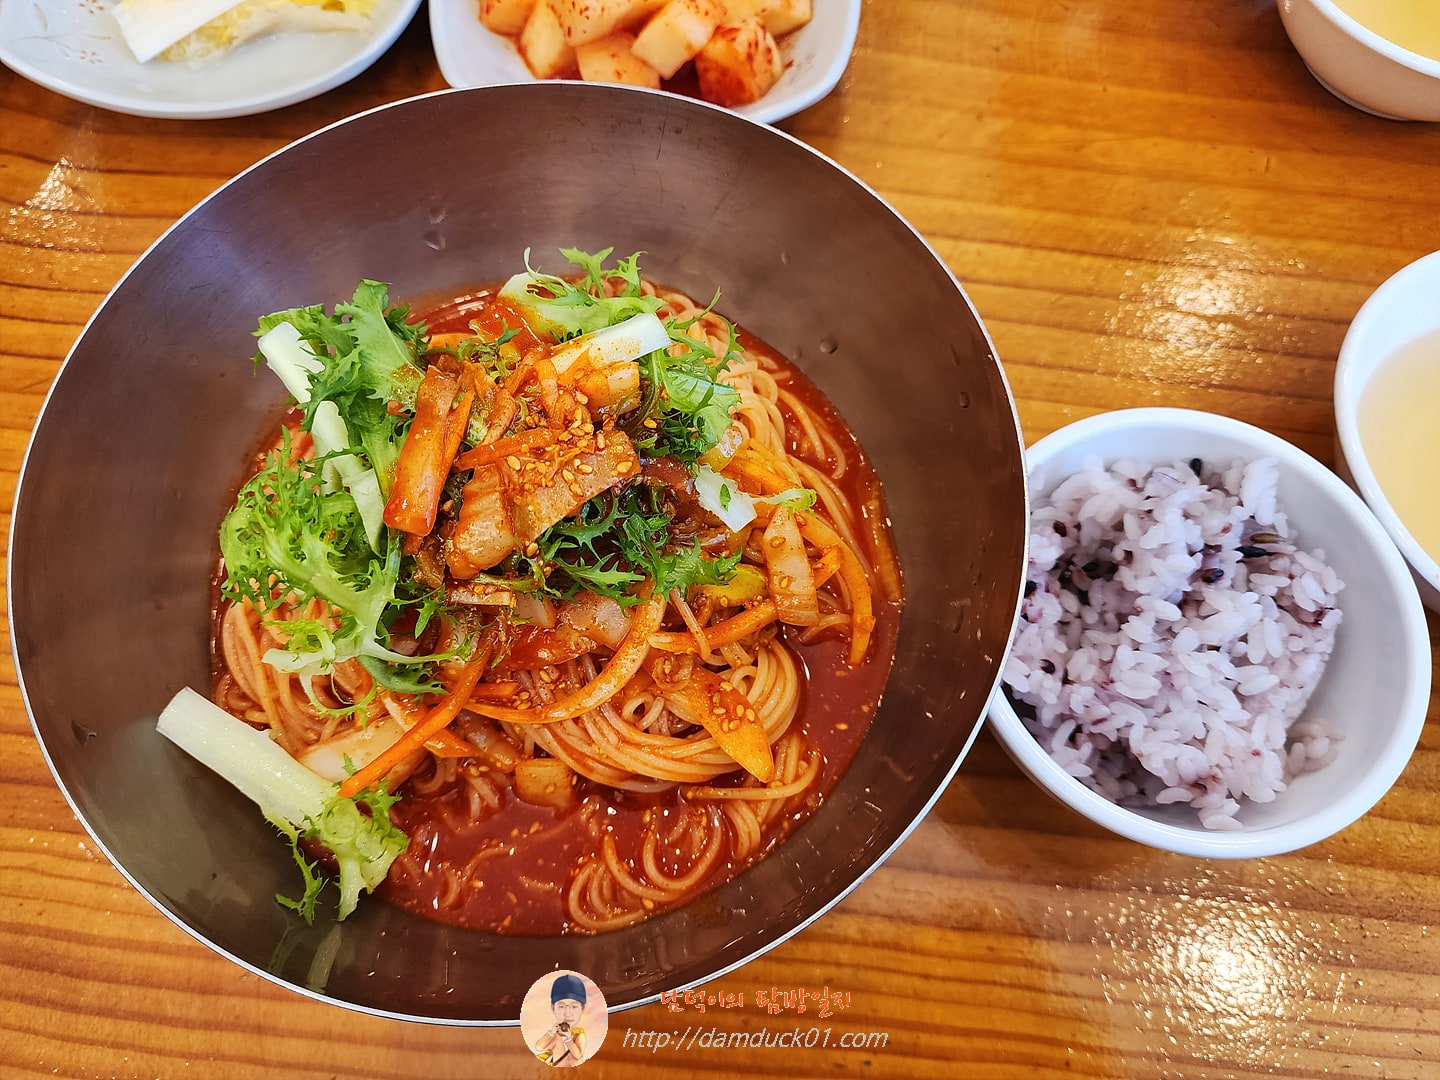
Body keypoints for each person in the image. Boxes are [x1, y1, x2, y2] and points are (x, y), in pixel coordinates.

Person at [534, 973, 589, 1067]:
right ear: (553, 1008)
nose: (567, 1013)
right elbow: (539, 1047)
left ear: (582, 1009)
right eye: (561, 1006)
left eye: (574, 1007)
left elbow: (577, 1055)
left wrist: (569, 1039)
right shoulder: (556, 1035)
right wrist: (551, 1033)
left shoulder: (579, 1035)